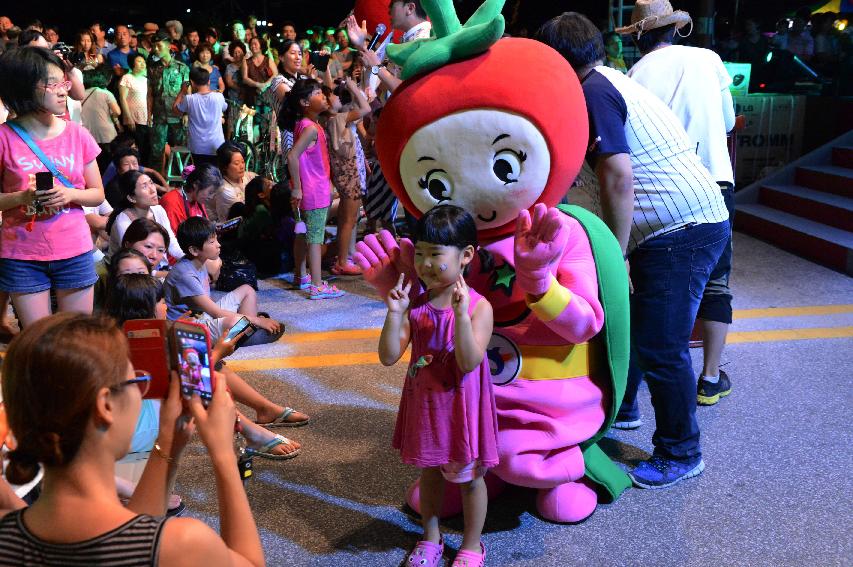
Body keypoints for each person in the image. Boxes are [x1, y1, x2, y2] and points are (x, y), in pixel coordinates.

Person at [535, 11, 729, 489]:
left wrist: (617, 253)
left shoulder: (592, 92)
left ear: (558, 60)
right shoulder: (608, 80)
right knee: (642, 325)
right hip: (685, 221)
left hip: (679, 228)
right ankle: (623, 410)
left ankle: (681, 452)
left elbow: (618, 175)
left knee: (662, 344)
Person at [0, 313, 266, 566]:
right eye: (136, 381)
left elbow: (133, 529)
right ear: (105, 406)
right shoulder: (183, 545)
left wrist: (170, 438)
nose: (142, 393)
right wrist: (222, 454)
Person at [620, 0, 737, 408]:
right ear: (673, 29)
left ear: (638, 36)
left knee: (661, 287)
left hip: (668, 191)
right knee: (716, 282)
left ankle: (654, 375)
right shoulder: (709, 59)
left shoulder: (635, 75)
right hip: (716, 183)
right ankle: (709, 378)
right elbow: (727, 121)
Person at [379, 205, 497, 567]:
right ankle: (431, 537)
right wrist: (395, 313)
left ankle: (472, 545)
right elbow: (387, 356)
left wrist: (460, 316)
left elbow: (468, 360)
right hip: (426, 406)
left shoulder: (479, 307)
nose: (426, 263)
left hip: (462, 408)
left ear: (465, 256)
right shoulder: (417, 306)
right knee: (429, 471)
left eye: (436, 254)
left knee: (470, 478)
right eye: (421, 253)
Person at [107, 273, 307, 451]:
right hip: (137, 428)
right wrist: (218, 353)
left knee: (203, 362)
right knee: (205, 375)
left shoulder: (121, 335)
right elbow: (191, 380)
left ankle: (263, 413)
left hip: (125, 420)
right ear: (144, 308)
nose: (165, 305)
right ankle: (254, 433)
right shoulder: (143, 344)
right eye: (160, 301)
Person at [0, 47, 105, 327]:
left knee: (77, 335)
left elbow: (97, 194)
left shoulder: (77, 134)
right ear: (23, 87)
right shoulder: (4, 138)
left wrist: (69, 194)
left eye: (64, 82)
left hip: (74, 248)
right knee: (39, 340)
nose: (62, 91)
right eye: (52, 83)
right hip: (22, 253)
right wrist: (24, 196)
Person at [163, 216, 283, 342]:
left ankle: (246, 331)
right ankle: (246, 332)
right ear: (194, 250)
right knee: (232, 321)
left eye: (216, 239)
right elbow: (216, 313)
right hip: (186, 330)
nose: (218, 245)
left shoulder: (199, 261)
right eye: (212, 242)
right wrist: (257, 320)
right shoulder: (185, 275)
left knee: (247, 290)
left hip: (202, 317)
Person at [282, 79, 344, 299]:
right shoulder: (310, 128)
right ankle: (317, 285)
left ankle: (301, 275)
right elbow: (292, 156)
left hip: (307, 191)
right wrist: (297, 188)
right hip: (313, 191)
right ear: (305, 102)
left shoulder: (304, 124)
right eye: (318, 93)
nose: (324, 96)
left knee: (302, 233)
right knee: (315, 238)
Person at [323, 77, 370, 276]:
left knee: (347, 219)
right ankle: (342, 262)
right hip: (350, 176)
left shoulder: (334, 119)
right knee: (348, 220)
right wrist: (352, 86)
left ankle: (342, 258)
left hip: (348, 173)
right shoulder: (338, 119)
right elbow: (366, 108)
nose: (337, 95)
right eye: (332, 94)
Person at [106, 170, 184, 260]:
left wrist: (190, 260)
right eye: (144, 186)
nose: (153, 190)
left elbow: (172, 244)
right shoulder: (123, 222)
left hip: (157, 266)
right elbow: (135, 261)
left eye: (151, 183)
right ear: (131, 198)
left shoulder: (159, 210)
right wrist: (164, 274)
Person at [147, 31, 189, 176]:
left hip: (177, 113)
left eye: (159, 46)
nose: (156, 49)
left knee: (180, 149)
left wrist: (187, 113)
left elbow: (186, 92)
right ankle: (158, 180)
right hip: (159, 115)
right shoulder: (152, 68)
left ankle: (182, 181)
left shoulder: (182, 67)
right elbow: (150, 93)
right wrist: (149, 115)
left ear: (168, 46)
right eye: (154, 46)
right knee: (156, 150)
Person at [174, 67, 228, 166]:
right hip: (216, 145)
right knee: (215, 173)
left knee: (201, 173)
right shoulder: (219, 96)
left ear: (192, 82)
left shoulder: (189, 99)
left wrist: (182, 91)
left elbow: (176, 110)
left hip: (197, 146)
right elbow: (224, 107)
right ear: (209, 81)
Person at [80, 65, 122, 169]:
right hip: (106, 134)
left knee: (94, 163)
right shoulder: (106, 93)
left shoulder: (80, 95)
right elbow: (117, 111)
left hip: (88, 133)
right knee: (107, 163)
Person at [161, 163, 218, 233]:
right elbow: (174, 239)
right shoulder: (171, 202)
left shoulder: (197, 198)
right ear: (196, 185)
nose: (211, 197)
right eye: (210, 192)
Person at [210, 142, 257, 222]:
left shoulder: (249, 176)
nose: (242, 166)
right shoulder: (224, 190)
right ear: (225, 167)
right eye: (236, 163)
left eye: (242, 162)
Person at [118, 52, 151, 164]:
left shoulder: (146, 79)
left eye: (144, 62)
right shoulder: (127, 77)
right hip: (133, 119)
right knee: (135, 148)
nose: (142, 64)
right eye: (139, 61)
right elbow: (122, 98)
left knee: (146, 149)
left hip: (146, 119)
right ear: (132, 63)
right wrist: (128, 117)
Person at [241, 36, 277, 108]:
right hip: (251, 95)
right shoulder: (246, 61)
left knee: (267, 116)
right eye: (251, 44)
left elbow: (275, 74)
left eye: (255, 44)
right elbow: (245, 78)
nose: (252, 46)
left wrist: (265, 85)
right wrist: (258, 85)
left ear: (261, 46)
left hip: (267, 94)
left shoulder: (268, 60)